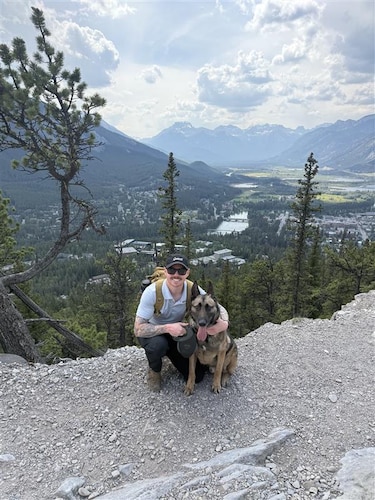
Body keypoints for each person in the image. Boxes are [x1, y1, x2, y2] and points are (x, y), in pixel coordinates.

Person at [134, 253, 229, 391]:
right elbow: (138, 329)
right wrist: (167, 328)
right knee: (157, 346)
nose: (176, 275)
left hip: (177, 333)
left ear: (187, 273)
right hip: (154, 333)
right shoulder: (152, 292)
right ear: (165, 271)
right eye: (172, 270)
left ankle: (171, 356)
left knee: (199, 376)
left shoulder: (191, 289)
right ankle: (154, 371)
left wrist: (224, 323)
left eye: (181, 271)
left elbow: (217, 306)